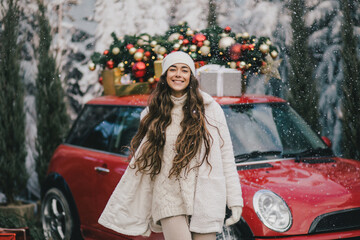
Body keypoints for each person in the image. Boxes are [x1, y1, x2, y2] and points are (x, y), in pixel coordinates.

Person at [98, 51, 243, 240]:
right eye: (172, 69)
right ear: (165, 76)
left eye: (184, 70)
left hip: (205, 193)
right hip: (168, 195)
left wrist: (234, 199)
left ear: (191, 76)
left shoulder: (210, 108)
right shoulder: (152, 113)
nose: (178, 74)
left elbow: (226, 156)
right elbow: (144, 162)